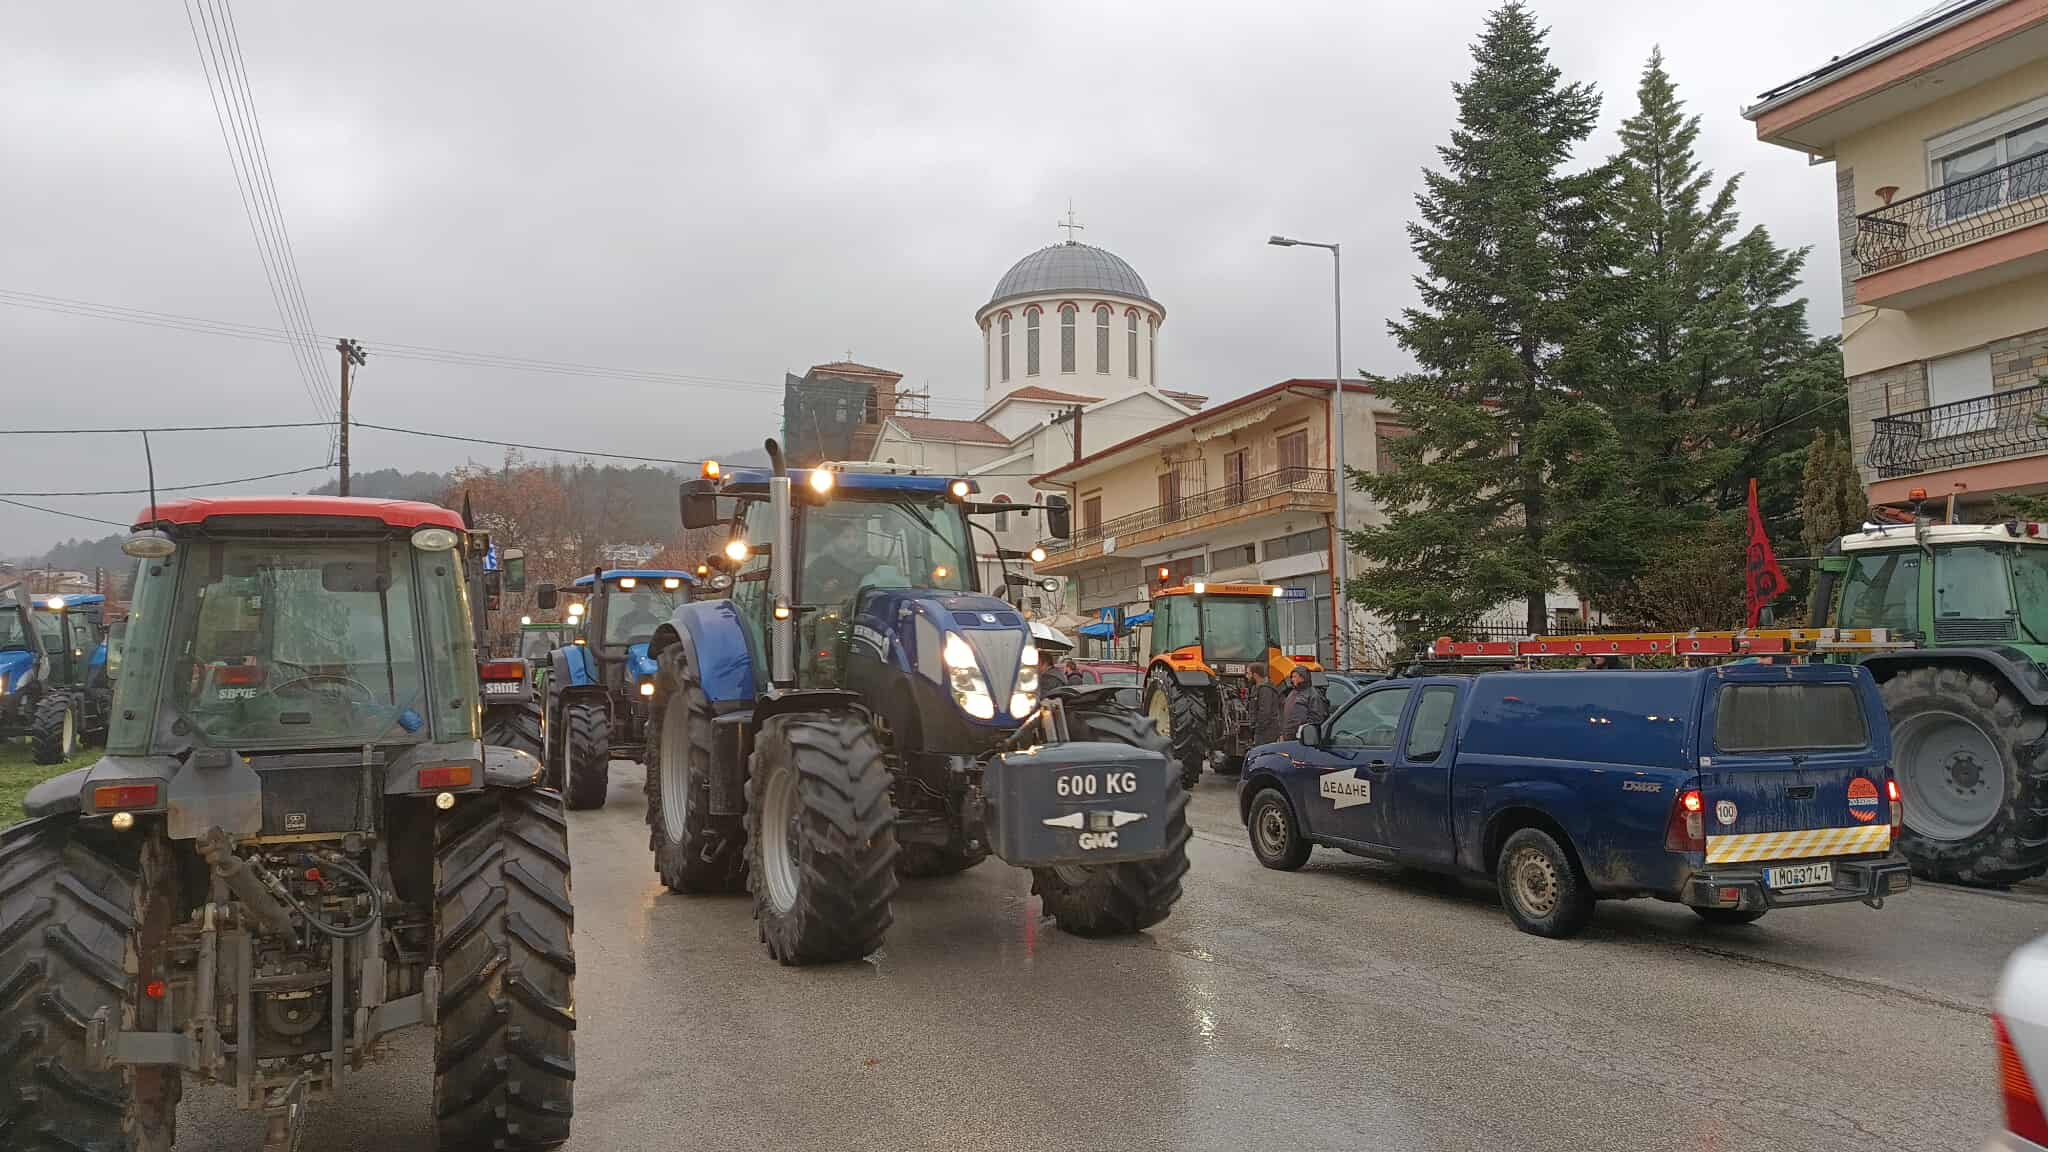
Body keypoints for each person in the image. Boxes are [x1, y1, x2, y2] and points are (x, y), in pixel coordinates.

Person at [1281, 665, 1328, 735]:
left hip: (1302, 736)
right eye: (1292, 677)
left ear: (1303, 678)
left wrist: (1302, 728)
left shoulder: (1313, 694)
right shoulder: (1293, 692)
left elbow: (1316, 717)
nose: (1292, 679)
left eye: (1295, 677)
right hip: (1288, 734)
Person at [1247, 664, 1283, 747]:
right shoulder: (1256, 688)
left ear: (1255, 675)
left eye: (1248, 673)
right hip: (1263, 731)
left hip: (1266, 732)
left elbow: (1265, 712)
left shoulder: (1265, 690)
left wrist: (1257, 728)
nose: (1246, 676)